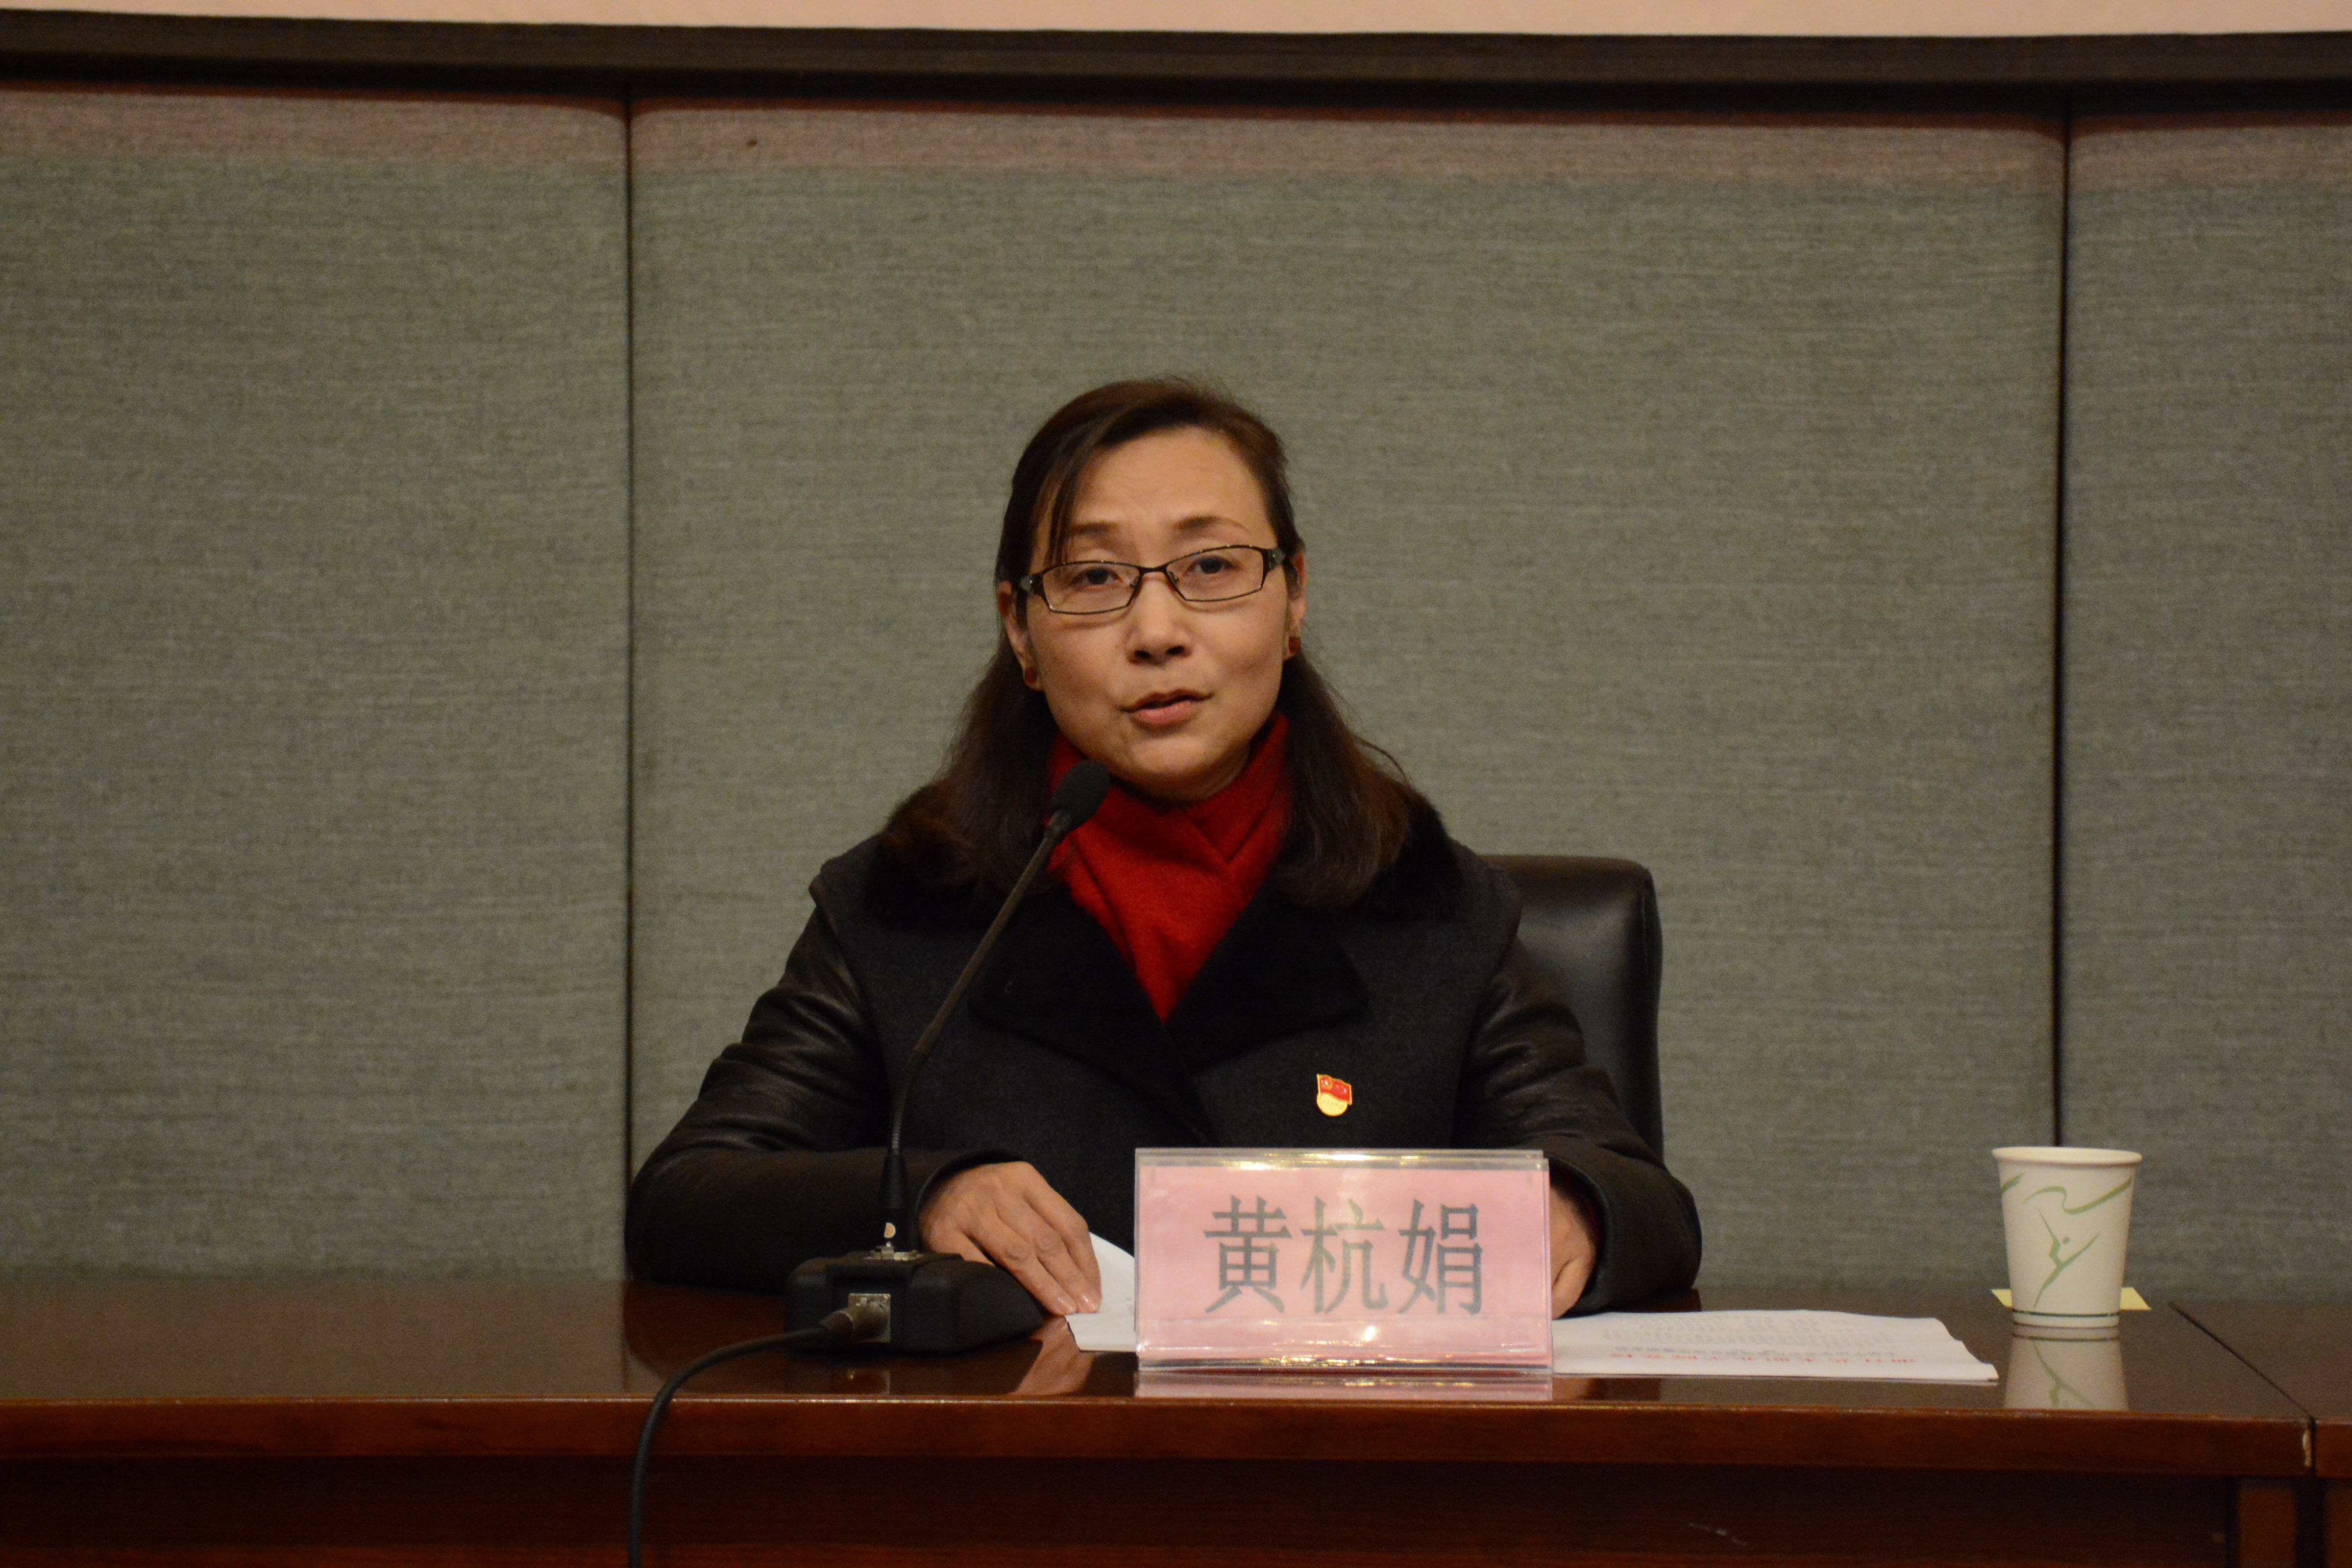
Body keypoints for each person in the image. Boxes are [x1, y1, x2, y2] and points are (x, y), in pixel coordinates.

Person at [627, 379, 1701, 1319]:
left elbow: (1638, 1193)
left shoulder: (1426, 903)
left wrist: (1577, 1210)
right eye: (1096, 580)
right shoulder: (909, 902)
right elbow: (688, 1195)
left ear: (1294, 598)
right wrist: (920, 1194)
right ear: (1020, 630)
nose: (1157, 632)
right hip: (1013, 1461)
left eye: (1213, 566)